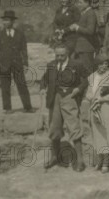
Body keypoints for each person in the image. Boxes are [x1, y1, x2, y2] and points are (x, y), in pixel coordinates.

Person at [41, 44, 88, 172]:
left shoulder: (76, 65)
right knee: (54, 128)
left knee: (74, 127)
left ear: (67, 53)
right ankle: (55, 157)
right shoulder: (51, 65)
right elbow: (44, 79)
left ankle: (80, 160)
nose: (60, 58)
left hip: (69, 98)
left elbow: (86, 79)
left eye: (62, 55)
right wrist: (42, 88)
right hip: (54, 99)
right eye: (57, 55)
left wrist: (79, 89)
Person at [86, 53, 109, 173]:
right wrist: (90, 97)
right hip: (95, 109)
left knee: (106, 135)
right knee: (97, 135)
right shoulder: (92, 77)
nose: (104, 66)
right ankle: (99, 160)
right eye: (101, 64)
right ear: (96, 65)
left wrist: (103, 99)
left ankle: (106, 163)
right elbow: (88, 92)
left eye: (106, 64)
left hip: (108, 109)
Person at [0, 10, 33, 114]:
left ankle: (28, 107)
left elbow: (24, 49)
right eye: (3, 20)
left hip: (17, 64)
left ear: (12, 21)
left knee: (22, 85)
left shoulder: (20, 34)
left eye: (7, 20)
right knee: (5, 87)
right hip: (3, 64)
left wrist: (25, 63)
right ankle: (7, 108)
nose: (4, 22)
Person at [69, 0, 98, 74]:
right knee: (81, 71)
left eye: (80, 3)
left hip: (86, 48)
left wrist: (77, 28)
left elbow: (90, 31)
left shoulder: (91, 13)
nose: (78, 5)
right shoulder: (84, 13)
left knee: (88, 71)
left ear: (87, 3)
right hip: (81, 48)